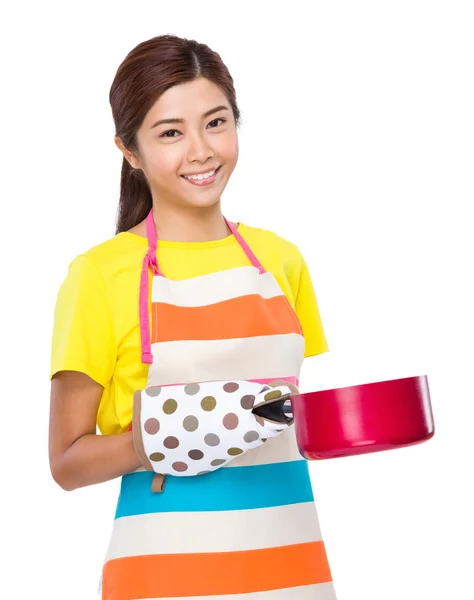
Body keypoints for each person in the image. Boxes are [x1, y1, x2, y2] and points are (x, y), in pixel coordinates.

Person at [49, 34, 337, 600]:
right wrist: (161, 436)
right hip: (165, 574)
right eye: (171, 133)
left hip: (293, 566)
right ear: (129, 151)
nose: (201, 151)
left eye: (216, 122)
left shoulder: (281, 260)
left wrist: (353, 426)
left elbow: (289, 422)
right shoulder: (101, 275)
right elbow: (65, 462)